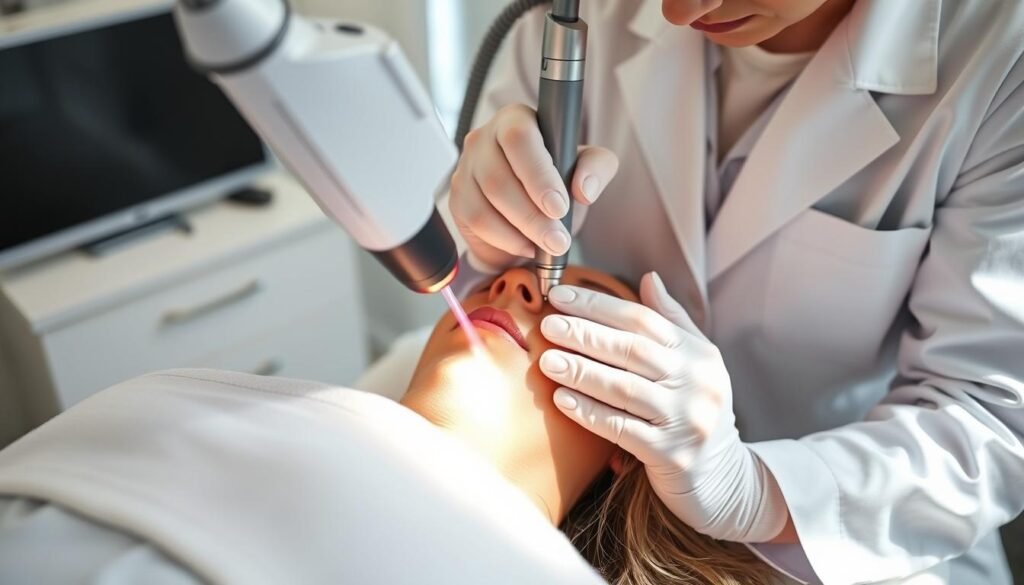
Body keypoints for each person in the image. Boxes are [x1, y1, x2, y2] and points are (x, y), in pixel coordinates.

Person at [447, 0, 1024, 583]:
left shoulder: (1000, 60)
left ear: (625, 459)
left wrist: (755, 493)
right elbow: (463, 286)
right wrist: (485, 238)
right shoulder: (576, 19)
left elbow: (992, 420)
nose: (677, 10)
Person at [0, 266, 783, 585]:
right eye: (522, 271)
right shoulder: (182, 398)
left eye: (585, 309)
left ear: (631, 437)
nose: (517, 281)